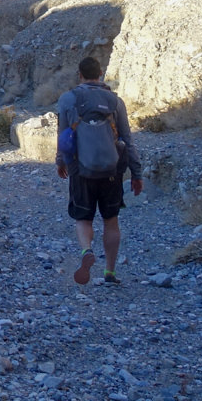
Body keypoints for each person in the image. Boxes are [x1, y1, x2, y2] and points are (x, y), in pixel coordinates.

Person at [55, 56, 143, 285]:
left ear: (80, 74)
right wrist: (136, 173)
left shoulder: (68, 99)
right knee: (111, 221)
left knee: (83, 218)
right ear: (101, 73)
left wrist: (61, 162)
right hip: (111, 170)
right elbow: (128, 140)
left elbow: (63, 136)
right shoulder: (115, 101)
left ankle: (86, 251)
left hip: (80, 170)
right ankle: (110, 272)